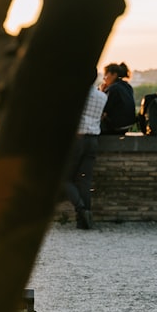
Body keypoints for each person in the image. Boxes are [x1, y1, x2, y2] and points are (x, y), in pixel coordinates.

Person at [65, 85, 107, 230]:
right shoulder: (102, 96)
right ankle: (84, 220)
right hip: (93, 140)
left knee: (63, 178)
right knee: (85, 181)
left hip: (77, 139)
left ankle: (81, 209)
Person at [99, 62, 136, 135]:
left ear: (114, 75)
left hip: (116, 126)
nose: (104, 78)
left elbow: (102, 108)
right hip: (128, 125)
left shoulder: (113, 89)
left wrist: (101, 92)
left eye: (106, 75)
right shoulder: (127, 86)